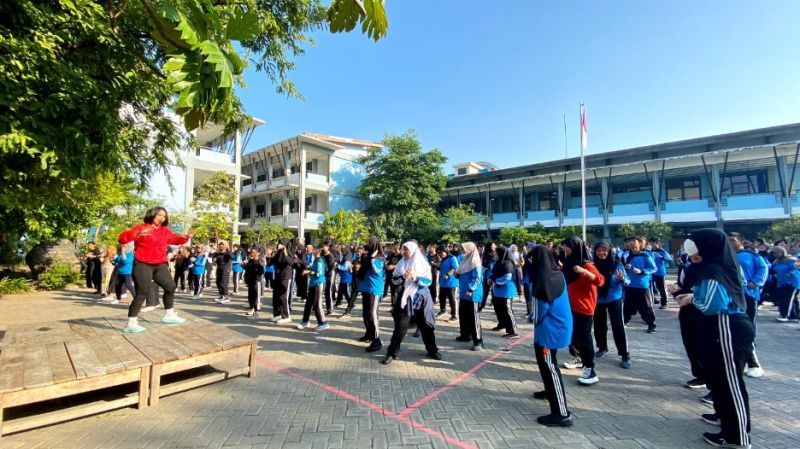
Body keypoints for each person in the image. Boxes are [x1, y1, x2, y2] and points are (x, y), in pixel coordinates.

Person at [672, 229, 754, 449]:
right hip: (719, 328)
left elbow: (712, 305)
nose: (692, 255)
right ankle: (723, 414)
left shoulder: (713, 269)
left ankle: (736, 435)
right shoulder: (720, 265)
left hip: (728, 327)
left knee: (730, 381)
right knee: (717, 377)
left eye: (696, 250)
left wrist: (690, 299)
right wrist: (692, 295)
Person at [117, 207, 193, 333]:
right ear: (152, 215)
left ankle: (169, 315)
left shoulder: (165, 231)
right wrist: (133, 234)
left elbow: (175, 239)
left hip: (159, 264)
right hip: (142, 264)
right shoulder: (141, 228)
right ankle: (131, 322)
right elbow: (122, 239)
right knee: (143, 292)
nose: (162, 218)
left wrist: (186, 237)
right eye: (159, 215)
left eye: (164, 216)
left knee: (171, 287)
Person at [529, 245, 573, 427]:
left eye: (532, 258)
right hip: (557, 327)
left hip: (549, 331)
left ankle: (562, 413)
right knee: (548, 364)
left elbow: (539, 312)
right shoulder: (557, 274)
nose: (529, 261)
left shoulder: (542, 279)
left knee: (550, 367)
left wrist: (532, 318)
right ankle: (549, 390)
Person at [381, 241, 441, 364]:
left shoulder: (422, 263)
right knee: (400, 326)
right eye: (402, 250)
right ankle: (392, 352)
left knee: (426, 325)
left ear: (413, 251)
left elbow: (429, 281)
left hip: (422, 298)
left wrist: (416, 278)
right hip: (407, 298)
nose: (403, 252)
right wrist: (403, 277)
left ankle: (432, 350)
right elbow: (394, 281)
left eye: (406, 250)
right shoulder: (401, 264)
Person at [560, 236, 604, 385]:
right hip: (570, 307)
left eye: (567, 246)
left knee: (585, 339)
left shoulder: (586, 264)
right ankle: (579, 358)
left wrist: (584, 272)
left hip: (584, 308)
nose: (564, 249)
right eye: (564, 246)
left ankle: (590, 370)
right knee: (573, 337)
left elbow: (600, 280)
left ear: (575, 247)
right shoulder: (567, 262)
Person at [729, 233, 768, 378]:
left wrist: (755, 282)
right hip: (732, 296)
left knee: (748, 328)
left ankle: (753, 362)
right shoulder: (725, 255)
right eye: (728, 241)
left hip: (748, 295)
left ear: (741, 241)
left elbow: (763, 268)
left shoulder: (751, 255)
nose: (730, 243)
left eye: (733, 240)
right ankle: (740, 361)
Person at [592, 242, 631, 369]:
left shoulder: (617, 264)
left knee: (618, 326)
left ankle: (624, 354)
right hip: (598, 300)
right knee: (599, 325)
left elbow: (627, 281)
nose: (601, 253)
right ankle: (602, 348)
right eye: (598, 250)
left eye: (604, 250)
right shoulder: (592, 265)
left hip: (614, 298)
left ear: (609, 251)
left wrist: (621, 279)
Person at [621, 236, 657, 333]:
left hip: (642, 285)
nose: (632, 243)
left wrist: (641, 271)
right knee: (627, 305)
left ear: (640, 244)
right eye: (630, 242)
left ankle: (651, 325)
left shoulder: (646, 256)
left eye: (634, 241)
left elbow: (654, 268)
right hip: (629, 285)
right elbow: (620, 268)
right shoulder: (624, 256)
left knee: (646, 306)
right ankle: (624, 322)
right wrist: (625, 268)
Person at [357, 237, 385, 352]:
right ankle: (369, 334)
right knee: (365, 313)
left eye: (369, 243)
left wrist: (372, 258)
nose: (367, 245)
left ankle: (377, 340)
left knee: (373, 315)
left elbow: (377, 271)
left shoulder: (379, 257)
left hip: (374, 289)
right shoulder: (368, 256)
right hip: (366, 288)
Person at [456, 242, 484, 350]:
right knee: (463, 315)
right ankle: (465, 335)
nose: (463, 251)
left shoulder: (475, 261)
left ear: (470, 249)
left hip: (473, 294)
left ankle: (478, 341)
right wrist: (458, 274)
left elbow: (477, 278)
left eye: (464, 249)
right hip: (463, 293)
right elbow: (463, 273)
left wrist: (470, 289)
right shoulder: (465, 260)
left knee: (473, 317)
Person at [489, 245, 520, 339]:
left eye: (496, 252)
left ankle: (514, 332)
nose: (494, 254)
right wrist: (491, 278)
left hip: (506, 290)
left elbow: (507, 277)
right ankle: (502, 324)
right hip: (498, 291)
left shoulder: (508, 263)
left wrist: (496, 281)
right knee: (499, 309)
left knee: (507, 310)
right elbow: (494, 274)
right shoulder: (498, 262)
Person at [297, 248, 330, 331]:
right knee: (308, 304)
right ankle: (305, 321)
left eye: (314, 251)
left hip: (318, 284)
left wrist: (308, 272)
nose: (312, 252)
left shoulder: (319, 261)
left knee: (317, 305)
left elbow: (319, 274)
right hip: (312, 284)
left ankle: (323, 323)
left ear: (318, 253)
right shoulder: (316, 260)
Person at [768, 245, 800, 322]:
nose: (774, 255)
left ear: (782, 252)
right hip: (781, 282)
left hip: (791, 282)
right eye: (773, 253)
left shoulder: (791, 260)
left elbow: (797, 269)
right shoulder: (777, 261)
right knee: (791, 300)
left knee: (787, 299)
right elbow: (772, 270)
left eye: (776, 253)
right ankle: (794, 316)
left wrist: (791, 273)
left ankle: (784, 315)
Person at [268, 238, 295, 324]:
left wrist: (286, 253)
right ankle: (277, 314)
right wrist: (269, 255)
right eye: (279, 243)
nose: (279, 244)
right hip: (278, 276)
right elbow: (271, 262)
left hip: (286, 276)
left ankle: (286, 316)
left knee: (283, 297)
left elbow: (291, 263)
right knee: (276, 296)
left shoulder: (290, 252)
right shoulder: (278, 253)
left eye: (281, 243)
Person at [649, 237, 672, 309]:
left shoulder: (662, 251)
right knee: (650, 288)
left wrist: (662, 257)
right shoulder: (649, 251)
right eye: (650, 242)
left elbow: (670, 261)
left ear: (657, 243)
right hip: (651, 273)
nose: (651, 244)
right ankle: (651, 302)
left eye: (653, 242)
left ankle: (664, 303)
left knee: (661, 288)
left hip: (660, 273)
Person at [437, 245, 459, 321]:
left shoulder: (452, 258)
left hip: (452, 283)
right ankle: (443, 310)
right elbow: (440, 268)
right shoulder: (443, 259)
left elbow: (455, 268)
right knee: (441, 298)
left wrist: (448, 274)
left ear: (445, 251)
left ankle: (454, 315)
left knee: (452, 299)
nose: (439, 254)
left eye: (441, 252)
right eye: (438, 253)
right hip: (443, 283)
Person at [243, 246, 265, 320]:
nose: (251, 254)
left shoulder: (259, 261)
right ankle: (252, 309)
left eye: (253, 252)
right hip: (250, 281)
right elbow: (247, 268)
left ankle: (257, 313)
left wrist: (257, 269)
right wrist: (243, 265)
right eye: (251, 252)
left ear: (258, 253)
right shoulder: (250, 260)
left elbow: (261, 271)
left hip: (256, 281)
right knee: (251, 296)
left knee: (256, 297)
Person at [334, 248, 355, 316]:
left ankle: (351, 304)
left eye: (343, 252)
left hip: (347, 278)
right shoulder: (344, 258)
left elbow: (345, 268)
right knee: (340, 291)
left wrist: (338, 266)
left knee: (346, 292)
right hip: (343, 277)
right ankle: (338, 302)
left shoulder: (347, 259)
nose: (342, 253)